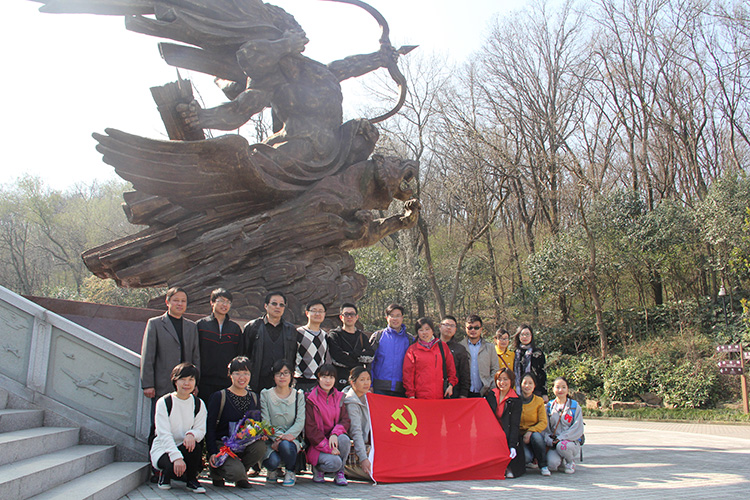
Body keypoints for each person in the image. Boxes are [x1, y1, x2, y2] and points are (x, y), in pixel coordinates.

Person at [205, 356, 265, 489]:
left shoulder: (254, 398)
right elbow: (210, 428)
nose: (242, 377)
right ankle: (217, 471)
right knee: (235, 472)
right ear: (230, 375)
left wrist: (260, 433)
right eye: (237, 373)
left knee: (260, 447)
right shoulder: (219, 397)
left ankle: (241, 474)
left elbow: (256, 423)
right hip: (223, 446)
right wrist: (213, 452)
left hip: (244, 445)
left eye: (246, 373)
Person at [150, 362, 207, 493]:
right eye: (183, 379)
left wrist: (191, 434)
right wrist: (177, 457)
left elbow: (201, 430)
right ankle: (165, 474)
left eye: (191, 380)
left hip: (185, 446)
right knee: (170, 465)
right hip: (164, 448)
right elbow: (163, 433)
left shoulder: (198, 404)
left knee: (195, 446)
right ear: (175, 381)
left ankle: (191, 480)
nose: (187, 383)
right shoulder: (164, 402)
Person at [260, 359, 306, 487]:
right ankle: (272, 470)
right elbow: (266, 422)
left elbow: (300, 421)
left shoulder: (298, 395)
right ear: (273, 376)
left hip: (291, 439)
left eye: (286, 373)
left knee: (286, 446)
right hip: (271, 440)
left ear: (291, 375)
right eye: (278, 373)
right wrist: (277, 438)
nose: (282, 376)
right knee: (272, 461)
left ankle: (290, 471)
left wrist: (284, 438)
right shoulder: (265, 394)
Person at [305, 364, 351, 486]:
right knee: (334, 463)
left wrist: (335, 434)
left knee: (344, 439)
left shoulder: (339, 397)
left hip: (333, 440)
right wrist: (329, 448)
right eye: (324, 377)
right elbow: (311, 430)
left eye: (331, 377)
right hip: (317, 444)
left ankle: (340, 473)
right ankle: (318, 469)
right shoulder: (310, 399)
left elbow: (345, 420)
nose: (328, 381)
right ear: (318, 377)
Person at [242, 291, 297, 393]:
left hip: (281, 383)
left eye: (281, 305)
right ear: (266, 306)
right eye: (274, 304)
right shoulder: (252, 327)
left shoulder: (291, 330)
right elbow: (244, 354)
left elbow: (293, 357)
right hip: (257, 381)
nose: (278, 307)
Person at [196, 288, 243, 402]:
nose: (225, 305)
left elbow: (239, 354)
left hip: (227, 382)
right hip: (204, 381)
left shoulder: (234, 328)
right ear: (212, 302)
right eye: (221, 301)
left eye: (228, 302)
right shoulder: (201, 325)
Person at [403, 317, 458, 399]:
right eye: (421, 330)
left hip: (440, 395)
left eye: (427, 329)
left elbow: (451, 368)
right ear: (417, 332)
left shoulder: (442, 346)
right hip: (420, 396)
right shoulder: (412, 350)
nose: (424, 332)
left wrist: (451, 385)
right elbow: (408, 374)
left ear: (432, 330)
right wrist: (411, 394)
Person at [484, 368, 524, 479]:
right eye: (499, 379)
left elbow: (515, 424)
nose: (502, 382)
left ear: (511, 381)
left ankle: (508, 466)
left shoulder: (516, 400)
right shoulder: (491, 395)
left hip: (508, 432)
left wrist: (512, 445)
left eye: (505, 379)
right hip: (492, 431)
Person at [369, 304, 414, 397]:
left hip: (402, 390)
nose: (395, 319)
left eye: (398, 316)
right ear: (387, 318)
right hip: (379, 388)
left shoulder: (409, 339)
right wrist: (370, 384)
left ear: (402, 318)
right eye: (392, 316)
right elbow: (370, 362)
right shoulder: (378, 336)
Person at [328, 303, 374, 389]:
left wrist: (352, 354)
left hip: (358, 380)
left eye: (352, 314)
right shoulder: (335, 335)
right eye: (346, 314)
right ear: (341, 317)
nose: (349, 317)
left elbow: (370, 355)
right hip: (339, 379)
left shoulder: (362, 336)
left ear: (357, 317)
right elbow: (337, 357)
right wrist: (358, 360)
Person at [544, 377, 584, 474]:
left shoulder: (574, 406)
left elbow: (577, 427)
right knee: (551, 464)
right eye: (557, 387)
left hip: (570, 443)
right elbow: (545, 428)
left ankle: (570, 462)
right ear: (553, 389)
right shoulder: (549, 407)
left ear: (567, 389)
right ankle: (561, 463)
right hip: (555, 443)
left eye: (563, 387)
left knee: (562, 446)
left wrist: (561, 438)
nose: (560, 390)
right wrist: (549, 440)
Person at [343, 366, 373, 481]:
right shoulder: (350, 402)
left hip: (367, 444)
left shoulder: (369, 397)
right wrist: (363, 458)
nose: (366, 383)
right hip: (354, 447)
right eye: (362, 380)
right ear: (352, 382)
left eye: (368, 379)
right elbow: (356, 432)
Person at [295, 300, 332, 392]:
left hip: (319, 382)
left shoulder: (324, 335)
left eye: (320, 311)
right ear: (307, 313)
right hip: (300, 381)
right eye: (314, 311)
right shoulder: (299, 333)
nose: (317, 314)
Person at [462, 315, 500, 398]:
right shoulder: (461, 347)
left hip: (485, 392)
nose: (473, 330)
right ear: (465, 329)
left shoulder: (490, 348)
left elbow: (495, 369)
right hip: (465, 393)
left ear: (481, 329)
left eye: (476, 327)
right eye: (470, 328)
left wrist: (490, 388)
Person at [519, 373, 550, 476]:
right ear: (520, 384)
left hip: (534, 433)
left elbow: (543, 422)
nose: (527, 386)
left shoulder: (539, 401)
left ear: (534, 385)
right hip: (520, 436)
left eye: (530, 383)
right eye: (525, 383)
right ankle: (531, 458)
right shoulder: (516, 400)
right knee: (526, 457)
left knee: (536, 437)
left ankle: (543, 465)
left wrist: (530, 431)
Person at [439, 315, 470, 398]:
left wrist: (463, 394)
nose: (449, 328)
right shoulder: (432, 346)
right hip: (434, 392)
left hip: (454, 392)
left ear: (455, 330)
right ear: (440, 327)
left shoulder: (460, 349)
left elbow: (464, 373)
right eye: (446, 325)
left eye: (452, 326)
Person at [514, 324, 547, 401]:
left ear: (531, 336)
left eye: (527, 334)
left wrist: (544, 393)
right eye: (522, 334)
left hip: (535, 391)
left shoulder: (538, 353)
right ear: (518, 336)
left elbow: (543, 374)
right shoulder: (514, 353)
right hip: (517, 392)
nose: (525, 337)